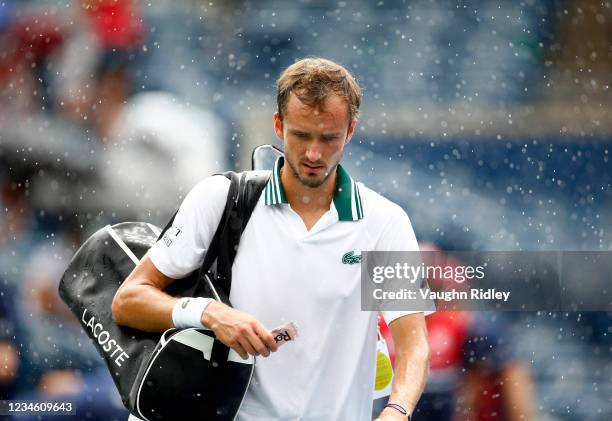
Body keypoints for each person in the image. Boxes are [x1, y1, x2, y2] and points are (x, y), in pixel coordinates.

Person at [112, 57, 431, 421]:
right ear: (278, 125)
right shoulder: (218, 198)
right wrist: (208, 313)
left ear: (350, 131)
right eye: (301, 135)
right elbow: (128, 301)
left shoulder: (387, 222)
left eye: (328, 138)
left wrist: (398, 410)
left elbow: (414, 346)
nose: (313, 153)